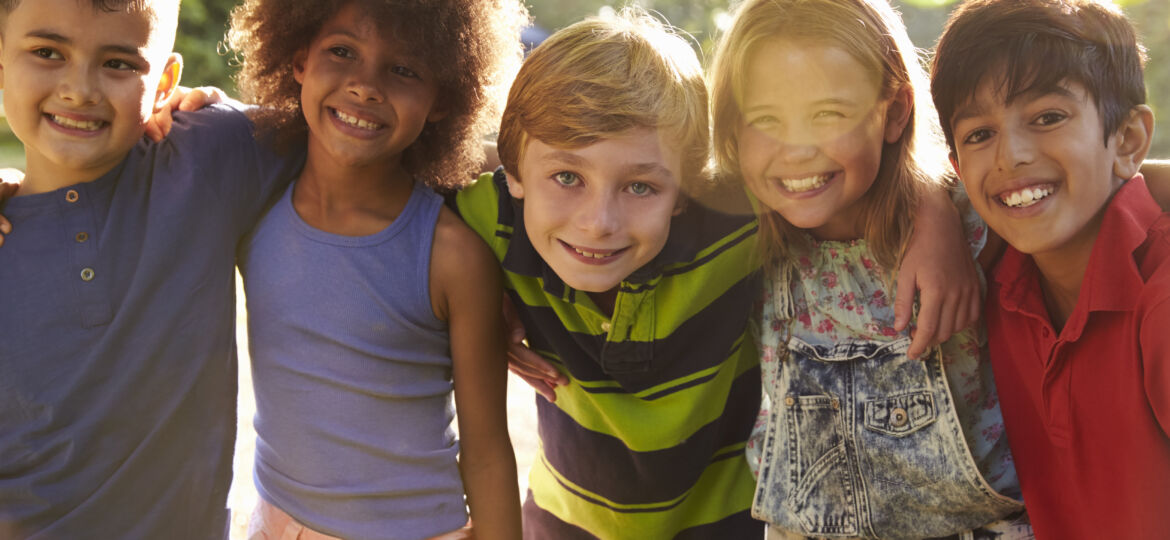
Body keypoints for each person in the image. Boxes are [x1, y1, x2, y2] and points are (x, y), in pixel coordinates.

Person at [454, 7, 983, 538]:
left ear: (685, 190)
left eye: (641, 187)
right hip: (560, 525)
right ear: (516, 170)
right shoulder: (482, 224)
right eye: (567, 177)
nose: (598, 223)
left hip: (730, 526)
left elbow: (827, 176)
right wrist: (473, 293)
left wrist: (930, 205)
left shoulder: (735, 222)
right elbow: (403, 198)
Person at [708, 0, 1034, 537]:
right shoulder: (739, 231)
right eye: (765, 119)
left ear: (896, 111)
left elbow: (1112, 185)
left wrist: (932, 202)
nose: (797, 149)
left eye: (828, 113)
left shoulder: (977, 221)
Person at [224, 1, 526, 538]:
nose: (365, 86)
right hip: (275, 524)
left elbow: (487, 453)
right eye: (342, 52)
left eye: (404, 69)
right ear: (297, 60)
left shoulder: (452, 255)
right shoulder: (252, 205)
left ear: (443, 99)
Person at [0, 0, 301, 537]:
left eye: (119, 63)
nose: (80, 90)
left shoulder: (207, 158)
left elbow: (373, 140)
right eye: (47, 52)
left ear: (164, 80)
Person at [931, 0, 1169, 537]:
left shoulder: (1161, 298)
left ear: (1128, 140)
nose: (1009, 155)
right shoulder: (995, 277)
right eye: (979, 134)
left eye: (1048, 118)